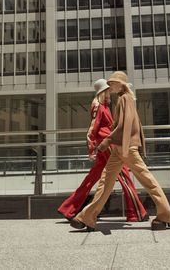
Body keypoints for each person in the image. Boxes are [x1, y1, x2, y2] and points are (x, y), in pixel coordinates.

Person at [70, 72, 170, 232]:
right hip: (120, 149)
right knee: (105, 182)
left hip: (126, 148)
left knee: (147, 181)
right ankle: (87, 217)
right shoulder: (125, 99)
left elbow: (125, 126)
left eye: (112, 83)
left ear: (121, 84)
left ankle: (166, 215)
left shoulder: (124, 99)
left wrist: (107, 141)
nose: (110, 86)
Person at [58, 78, 148, 222]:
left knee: (92, 177)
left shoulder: (104, 105)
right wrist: (91, 149)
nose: (110, 93)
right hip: (106, 144)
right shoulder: (98, 105)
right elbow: (92, 128)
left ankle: (68, 209)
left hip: (107, 143)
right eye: (108, 90)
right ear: (103, 92)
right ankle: (135, 213)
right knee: (124, 176)